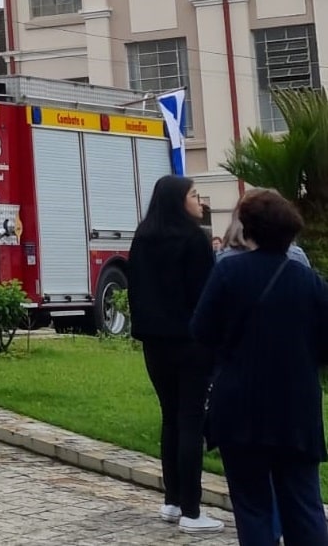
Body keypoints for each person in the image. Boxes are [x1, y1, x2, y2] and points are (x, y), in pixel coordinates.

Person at [192, 190, 328, 545]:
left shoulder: (228, 273)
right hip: (296, 409)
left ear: (247, 228)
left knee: (252, 507)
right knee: (304, 504)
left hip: (241, 407)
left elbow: (201, 331)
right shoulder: (310, 282)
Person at [127, 175, 223, 534]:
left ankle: (173, 499)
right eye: (195, 196)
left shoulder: (143, 237)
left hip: (155, 343)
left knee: (170, 417)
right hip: (190, 342)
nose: (201, 202)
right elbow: (206, 296)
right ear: (179, 201)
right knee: (191, 421)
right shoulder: (194, 241)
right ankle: (193, 510)